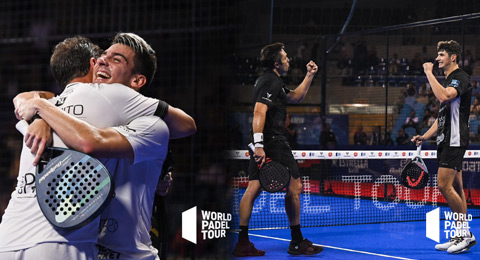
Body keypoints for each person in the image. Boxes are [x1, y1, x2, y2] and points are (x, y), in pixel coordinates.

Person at [5, 34, 195, 260]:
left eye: (116, 60)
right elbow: (54, 102)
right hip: (87, 248)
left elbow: (91, 141)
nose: (102, 61)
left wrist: (40, 108)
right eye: (102, 55)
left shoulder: (152, 126)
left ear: (137, 81)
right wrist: (41, 115)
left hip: (128, 254)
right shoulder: (85, 108)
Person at [233, 42, 322, 256]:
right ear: (276, 63)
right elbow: (258, 112)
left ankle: (242, 243)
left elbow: (295, 97)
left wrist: (309, 76)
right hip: (273, 141)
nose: (288, 60)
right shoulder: (271, 81)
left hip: (262, 141)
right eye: (285, 57)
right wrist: (261, 145)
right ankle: (297, 241)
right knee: (295, 187)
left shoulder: (271, 82)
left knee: (253, 188)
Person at [412, 40, 475, 254]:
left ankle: (465, 234)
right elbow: (441, 119)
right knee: (456, 188)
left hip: (455, 139)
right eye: (437, 55)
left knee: (443, 185)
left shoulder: (460, 78)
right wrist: (425, 136)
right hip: (446, 138)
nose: (437, 58)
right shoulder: (449, 80)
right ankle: (461, 234)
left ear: (453, 57)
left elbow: (444, 96)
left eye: (441, 55)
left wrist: (428, 72)